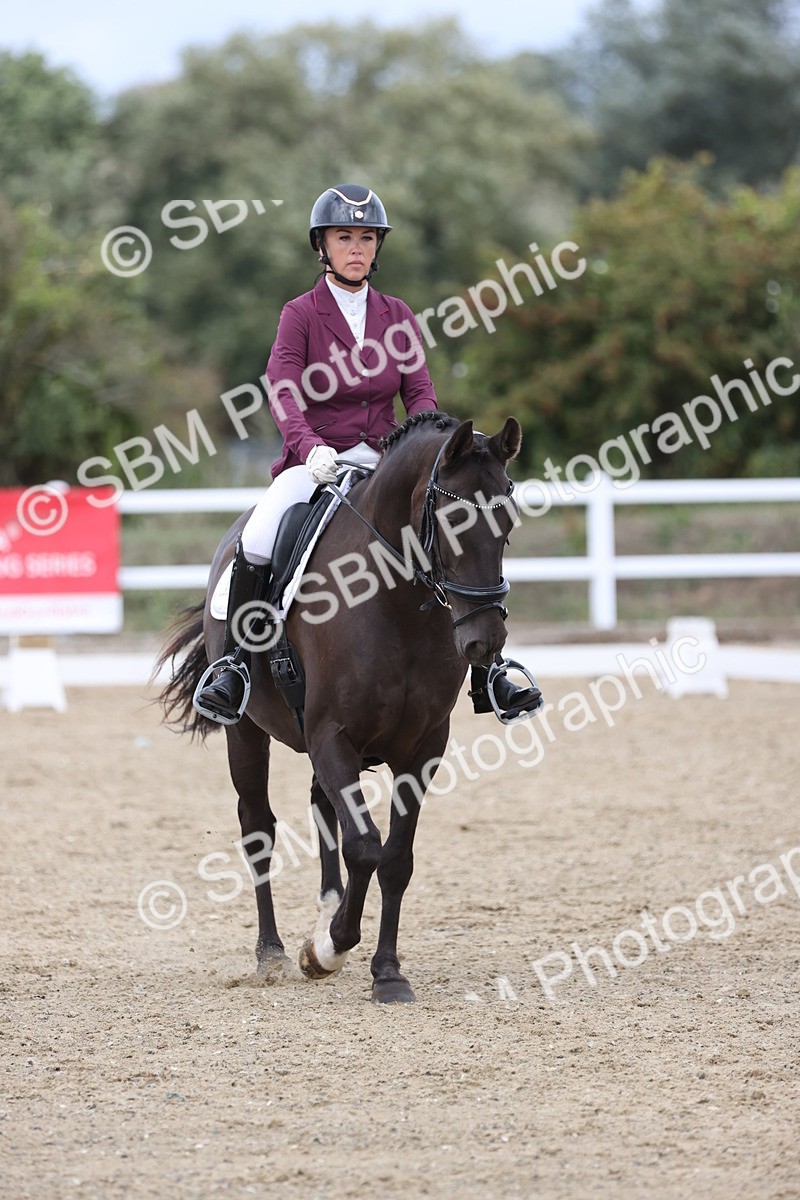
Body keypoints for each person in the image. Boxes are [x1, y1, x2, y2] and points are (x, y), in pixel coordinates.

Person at [196, 183, 542, 724]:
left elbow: (421, 396)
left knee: (458, 527)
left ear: (377, 246)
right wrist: (306, 446)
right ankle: (236, 665)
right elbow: (283, 388)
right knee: (261, 535)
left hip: (384, 460)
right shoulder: (301, 314)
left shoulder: (397, 315)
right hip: (316, 461)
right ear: (323, 246)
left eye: (366, 237)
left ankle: (489, 673)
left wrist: (428, 445)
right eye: (344, 237)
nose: (356, 248)